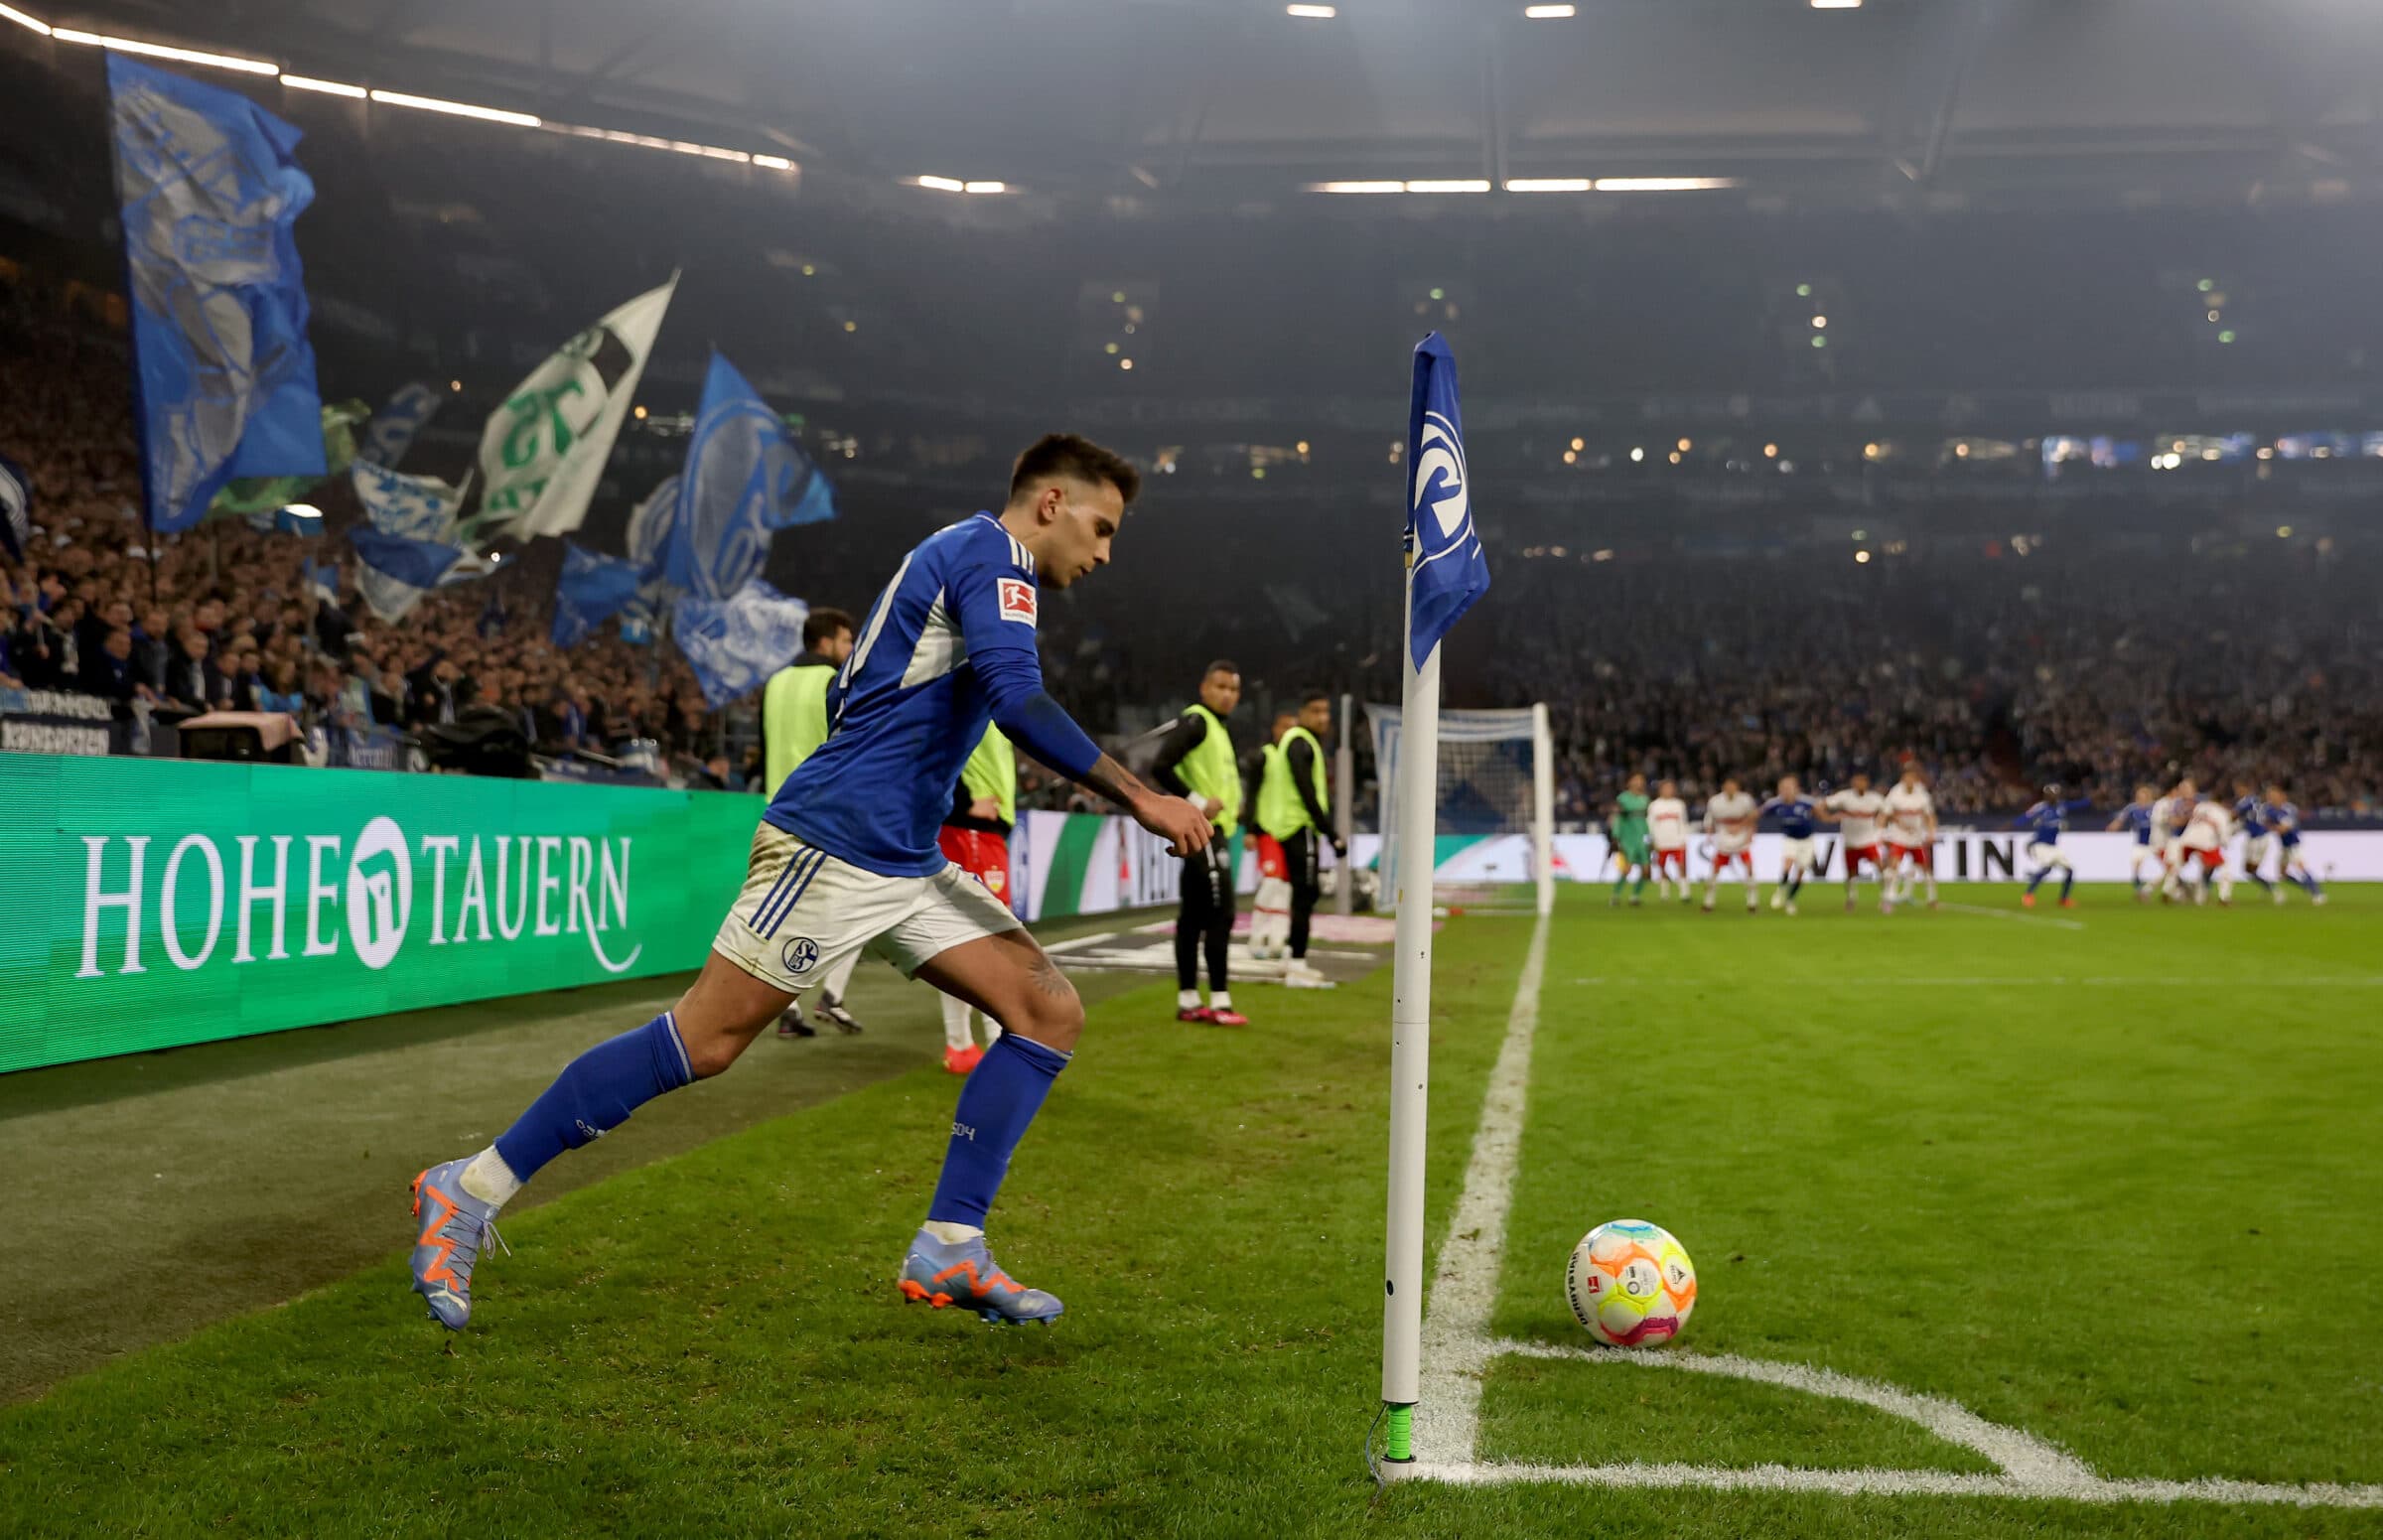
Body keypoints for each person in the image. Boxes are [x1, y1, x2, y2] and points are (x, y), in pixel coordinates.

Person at [407, 433, 1209, 1331]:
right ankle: (469, 1187)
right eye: (1101, 528)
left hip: (902, 855)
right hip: (836, 844)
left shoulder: (958, 557)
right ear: (1052, 503)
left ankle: (951, 1243)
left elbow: (864, 701)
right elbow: (1017, 700)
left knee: (1046, 1009)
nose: (1103, 554)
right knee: (704, 1042)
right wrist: (1142, 795)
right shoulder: (994, 555)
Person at [758, 606, 861, 1038]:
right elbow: (848, 746)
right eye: (846, 639)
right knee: (860, 906)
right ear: (827, 642)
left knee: (785, 914)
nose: (851, 647)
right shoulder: (833, 682)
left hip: (776, 812)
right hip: (826, 814)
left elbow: (766, 747)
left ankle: (790, 1007)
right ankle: (830, 996)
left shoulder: (774, 683)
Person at [1151, 660, 1246, 1025]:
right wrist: (1197, 801)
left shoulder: (1218, 729)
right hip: (1203, 829)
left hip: (1212, 831)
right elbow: (1161, 766)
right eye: (1221, 687)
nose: (1227, 695)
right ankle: (1220, 1001)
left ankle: (1189, 999)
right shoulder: (1198, 721)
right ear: (1204, 688)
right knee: (1220, 915)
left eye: (1234, 689)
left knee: (1192, 916)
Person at [937, 723, 1017, 1074]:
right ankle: (996, 1048)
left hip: (980, 831)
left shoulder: (990, 692)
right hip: (969, 830)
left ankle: (962, 1045)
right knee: (987, 942)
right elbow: (936, 741)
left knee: (966, 942)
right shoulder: (969, 683)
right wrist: (966, 801)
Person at [1255, 691, 1341, 988]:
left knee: (1303, 894)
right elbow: (1306, 791)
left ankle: (1291, 958)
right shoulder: (1299, 742)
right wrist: (1331, 833)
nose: (1322, 717)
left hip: (1294, 827)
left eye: (1326, 711)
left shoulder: (1302, 743)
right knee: (1305, 894)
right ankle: (1297, 964)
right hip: (1297, 826)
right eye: (1316, 710)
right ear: (1302, 713)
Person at [1247, 714, 1297, 961]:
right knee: (1271, 883)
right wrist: (1249, 830)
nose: (1288, 731)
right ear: (1274, 728)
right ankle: (1257, 937)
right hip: (1268, 830)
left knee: (1285, 888)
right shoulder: (1263, 755)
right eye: (1284, 726)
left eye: (1293, 728)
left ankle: (1278, 940)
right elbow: (1252, 793)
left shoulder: (1296, 758)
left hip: (1291, 832)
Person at [2017, 783, 2092, 909]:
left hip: (2053, 847)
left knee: (2069, 871)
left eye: (2056, 793)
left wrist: (2092, 798)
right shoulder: (2040, 807)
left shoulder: (2061, 806)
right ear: (2046, 795)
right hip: (2040, 845)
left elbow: (2079, 804)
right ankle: (2028, 895)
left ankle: (2064, 899)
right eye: (2052, 794)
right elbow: (2024, 818)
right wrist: (2011, 825)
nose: (2055, 796)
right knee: (2047, 868)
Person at [1824, 770, 1889, 913]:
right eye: (1856, 781)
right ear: (1853, 782)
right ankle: (1851, 898)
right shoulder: (1844, 797)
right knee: (1851, 873)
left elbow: (1887, 811)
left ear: (1867, 783)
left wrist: (1881, 825)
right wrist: (1827, 818)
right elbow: (1825, 804)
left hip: (1868, 840)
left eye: (1862, 781)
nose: (1859, 784)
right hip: (1850, 842)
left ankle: (1885, 898)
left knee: (1880, 867)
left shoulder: (1875, 798)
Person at [1761, 775, 1825, 915]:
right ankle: (1780, 891)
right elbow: (1759, 813)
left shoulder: (1807, 802)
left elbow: (1820, 813)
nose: (1786, 790)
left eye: (1789, 787)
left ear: (1796, 788)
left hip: (1807, 840)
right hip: (1790, 839)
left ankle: (1790, 900)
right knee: (1787, 864)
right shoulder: (1774, 803)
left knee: (1800, 872)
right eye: (1783, 788)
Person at [1881, 766, 1939, 912]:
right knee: (1893, 866)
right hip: (1898, 836)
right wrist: (1882, 833)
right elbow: (1886, 813)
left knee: (1926, 868)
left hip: (1917, 838)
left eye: (1913, 778)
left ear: (1916, 780)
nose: (1910, 781)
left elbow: (1929, 815)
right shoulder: (1895, 793)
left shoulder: (1922, 794)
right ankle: (1888, 899)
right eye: (1907, 778)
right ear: (1902, 779)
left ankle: (1932, 898)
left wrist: (1932, 833)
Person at [2165, 783, 2233, 906]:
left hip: (2186, 840)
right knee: (2224, 866)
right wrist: (2225, 843)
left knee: (2179, 865)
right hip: (2206, 843)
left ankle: (2167, 889)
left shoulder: (2200, 806)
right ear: (2224, 802)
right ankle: (2224, 897)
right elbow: (2224, 835)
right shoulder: (2222, 812)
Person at [1701, 776, 1759, 914]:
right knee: (1715, 869)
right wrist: (1709, 835)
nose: (1730, 789)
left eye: (1733, 786)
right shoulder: (1715, 801)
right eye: (1728, 786)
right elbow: (1710, 819)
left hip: (1741, 836)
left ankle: (1752, 902)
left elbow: (1752, 817)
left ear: (1737, 787)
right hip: (1723, 836)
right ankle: (1708, 901)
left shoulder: (1746, 799)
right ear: (1723, 787)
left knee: (1749, 867)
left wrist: (1749, 832)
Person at [2263, 783, 2326, 906]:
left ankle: (2318, 893)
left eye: (2273, 795)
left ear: (2281, 796)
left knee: (2300, 867)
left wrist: (2269, 827)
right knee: (2282, 874)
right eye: (2269, 796)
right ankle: (2306, 887)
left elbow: (2284, 828)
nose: (2270, 798)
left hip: (2294, 844)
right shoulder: (2270, 810)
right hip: (2284, 846)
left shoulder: (2289, 809)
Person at [2106, 783, 2161, 901]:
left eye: (2143, 796)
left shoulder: (2155, 807)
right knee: (2135, 867)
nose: (2140, 799)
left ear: (2148, 796)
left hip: (2155, 843)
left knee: (2166, 868)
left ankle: (2174, 887)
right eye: (2138, 797)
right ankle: (2140, 891)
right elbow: (2120, 819)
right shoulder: (2132, 808)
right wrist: (2113, 826)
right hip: (2140, 844)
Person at [1607, 772, 1651, 908]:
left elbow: (1647, 820)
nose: (1638, 782)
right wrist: (1615, 836)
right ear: (1629, 782)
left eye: (1641, 780)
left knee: (1646, 870)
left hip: (1642, 838)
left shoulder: (1645, 799)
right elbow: (1618, 818)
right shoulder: (1623, 798)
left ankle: (1635, 896)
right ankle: (1616, 895)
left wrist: (1650, 837)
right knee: (1627, 868)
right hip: (1628, 838)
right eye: (1636, 780)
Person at [1645, 778, 1691, 903]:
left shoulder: (1679, 804)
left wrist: (1684, 838)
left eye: (1671, 788)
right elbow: (1650, 824)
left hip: (1677, 841)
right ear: (1660, 790)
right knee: (1662, 867)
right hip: (1661, 841)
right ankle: (1664, 893)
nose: (1668, 790)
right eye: (1666, 788)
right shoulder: (1654, 805)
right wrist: (1652, 840)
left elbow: (1683, 822)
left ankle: (1684, 893)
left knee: (1681, 866)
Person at [2231, 779, 2276, 900]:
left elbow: (2233, 815)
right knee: (2248, 870)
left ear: (2245, 788)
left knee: (2250, 870)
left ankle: (2272, 888)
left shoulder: (2246, 801)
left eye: (2238, 788)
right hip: (2255, 838)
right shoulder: (2255, 800)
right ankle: (2268, 887)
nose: (2237, 791)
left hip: (2258, 838)